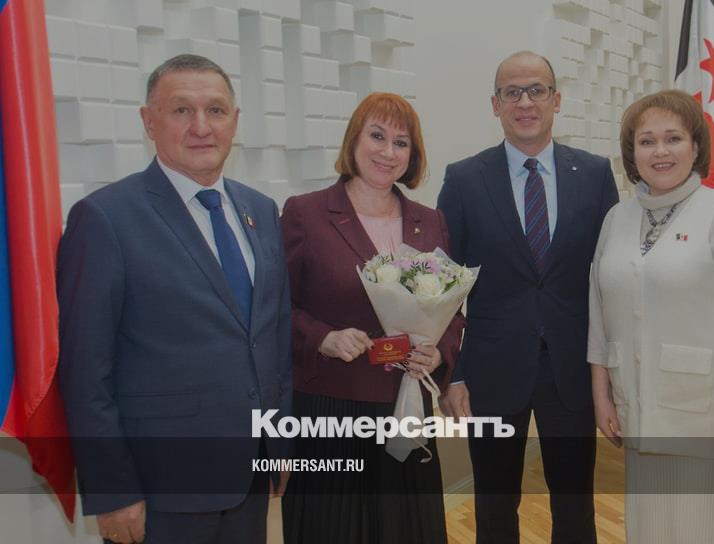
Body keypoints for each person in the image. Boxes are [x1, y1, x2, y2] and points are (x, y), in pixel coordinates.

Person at [57, 54, 292, 544]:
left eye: (216, 110)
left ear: (235, 120)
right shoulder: (104, 219)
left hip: (251, 474)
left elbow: (273, 338)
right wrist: (112, 490)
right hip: (161, 487)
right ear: (149, 121)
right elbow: (85, 370)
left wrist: (280, 441)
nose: (201, 127)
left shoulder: (261, 210)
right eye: (181, 110)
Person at [437, 50, 619, 544]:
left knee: (575, 503)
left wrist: (612, 373)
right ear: (494, 104)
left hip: (572, 368)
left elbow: (611, 281)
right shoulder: (464, 179)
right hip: (491, 371)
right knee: (494, 504)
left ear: (556, 100)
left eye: (536, 90)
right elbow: (444, 288)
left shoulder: (595, 174)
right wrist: (454, 374)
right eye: (511, 92)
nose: (525, 102)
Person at [587, 89, 714, 543]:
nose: (660, 151)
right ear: (632, 154)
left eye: (673, 138)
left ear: (695, 146)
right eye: (646, 141)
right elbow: (599, 313)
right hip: (637, 410)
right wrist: (602, 396)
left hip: (703, 418)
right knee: (646, 532)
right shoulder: (616, 218)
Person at [280, 92, 462, 544]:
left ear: (412, 155)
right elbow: (275, 308)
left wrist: (439, 353)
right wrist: (322, 337)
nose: (388, 152)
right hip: (330, 408)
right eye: (377, 136)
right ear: (354, 141)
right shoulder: (306, 213)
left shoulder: (430, 221)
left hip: (405, 404)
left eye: (401, 143)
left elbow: (453, 310)